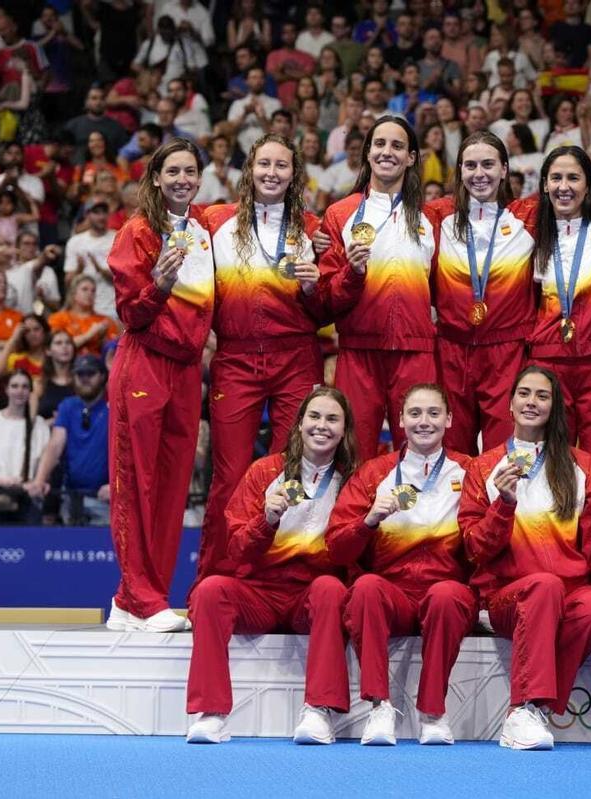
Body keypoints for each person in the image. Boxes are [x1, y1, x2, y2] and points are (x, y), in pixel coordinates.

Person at [186, 387, 356, 745]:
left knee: (331, 588)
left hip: (310, 597)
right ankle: (211, 713)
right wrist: (266, 520)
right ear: (298, 425)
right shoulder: (264, 472)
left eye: (332, 419)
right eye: (314, 417)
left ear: (344, 431)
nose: (321, 426)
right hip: (260, 593)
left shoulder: (352, 481)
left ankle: (318, 710)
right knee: (210, 591)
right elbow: (235, 550)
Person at [457, 366, 591, 750]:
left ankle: (536, 710)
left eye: (542, 396)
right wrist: (503, 506)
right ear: (509, 405)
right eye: (524, 394)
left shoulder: (583, 465)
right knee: (544, 586)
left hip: (570, 592)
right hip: (508, 596)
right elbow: (475, 548)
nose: (532, 402)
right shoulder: (483, 467)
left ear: (554, 406)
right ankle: (523, 706)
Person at [196, 133, 327, 585]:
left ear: (294, 176)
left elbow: (329, 307)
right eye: (264, 164)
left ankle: (279, 580)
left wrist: (315, 286)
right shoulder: (216, 222)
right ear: (249, 170)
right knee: (229, 476)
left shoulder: (312, 229)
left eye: (282, 166)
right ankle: (214, 579)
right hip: (236, 358)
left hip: (297, 357)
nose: (272, 173)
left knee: (289, 471)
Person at [326, 383, 475, 745]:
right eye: (415, 413)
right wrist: (368, 522)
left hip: (447, 590)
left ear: (449, 419)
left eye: (434, 413)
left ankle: (433, 713)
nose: (424, 421)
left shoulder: (470, 471)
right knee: (365, 588)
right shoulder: (373, 473)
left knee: (445, 595)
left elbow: (487, 539)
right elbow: (336, 547)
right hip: (393, 593)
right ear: (400, 421)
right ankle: (379, 707)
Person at [106, 138, 214, 632]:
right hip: (145, 363)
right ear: (155, 178)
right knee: (137, 482)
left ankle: (138, 600)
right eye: (173, 172)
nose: (182, 180)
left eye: (190, 172)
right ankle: (139, 597)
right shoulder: (138, 232)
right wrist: (160, 286)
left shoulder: (203, 227)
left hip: (188, 369)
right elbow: (130, 313)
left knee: (172, 488)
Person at [318, 116, 437, 453]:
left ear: (411, 157)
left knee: (419, 452)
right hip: (358, 352)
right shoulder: (340, 214)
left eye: (398, 145)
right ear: (367, 152)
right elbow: (326, 300)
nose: (388, 152)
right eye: (380, 144)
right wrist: (352, 274)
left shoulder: (431, 218)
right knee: (354, 455)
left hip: (416, 352)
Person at [522, 145, 591, 475]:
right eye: (555, 178)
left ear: (589, 184)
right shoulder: (529, 230)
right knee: (548, 464)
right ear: (544, 184)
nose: (564, 186)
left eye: (574, 177)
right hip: (547, 363)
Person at [423, 132, 534, 455]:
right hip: (451, 349)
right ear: (459, 171)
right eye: (470, 166)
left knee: (504, 451)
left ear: (504, 169)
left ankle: (500, 507)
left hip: (507, 352)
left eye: (488, 164)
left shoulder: (529, 216)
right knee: (453, 448)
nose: (479, 173)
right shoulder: (436, 215)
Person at [28, 355, 111, 525]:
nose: (85, 378)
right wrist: (40, 479)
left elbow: (126, 453)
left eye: (90, 373)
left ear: (103, 376)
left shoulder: (114, 408)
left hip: (106, 497)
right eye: (80, 374)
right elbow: (55, 444)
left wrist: (117, 485)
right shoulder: (68, 406)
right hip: (72, 497)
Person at [0, 369, 49, 524]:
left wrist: (39, 482)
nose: (20, 391)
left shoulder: (39, 425)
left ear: (30, 391)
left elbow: (45, 463)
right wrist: (4, 482)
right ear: (6, 389)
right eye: (15, 386)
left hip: (29, 499)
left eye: (25, 387)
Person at [48, 275, 119, 356]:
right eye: (84, 289)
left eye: (93, 291)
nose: (90, 293)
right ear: (73, 294)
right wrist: (90, 334)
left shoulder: (105, 320)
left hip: (96, 364)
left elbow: (112, 352)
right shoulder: (57, 318)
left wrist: (102, 338)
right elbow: (58, 347)